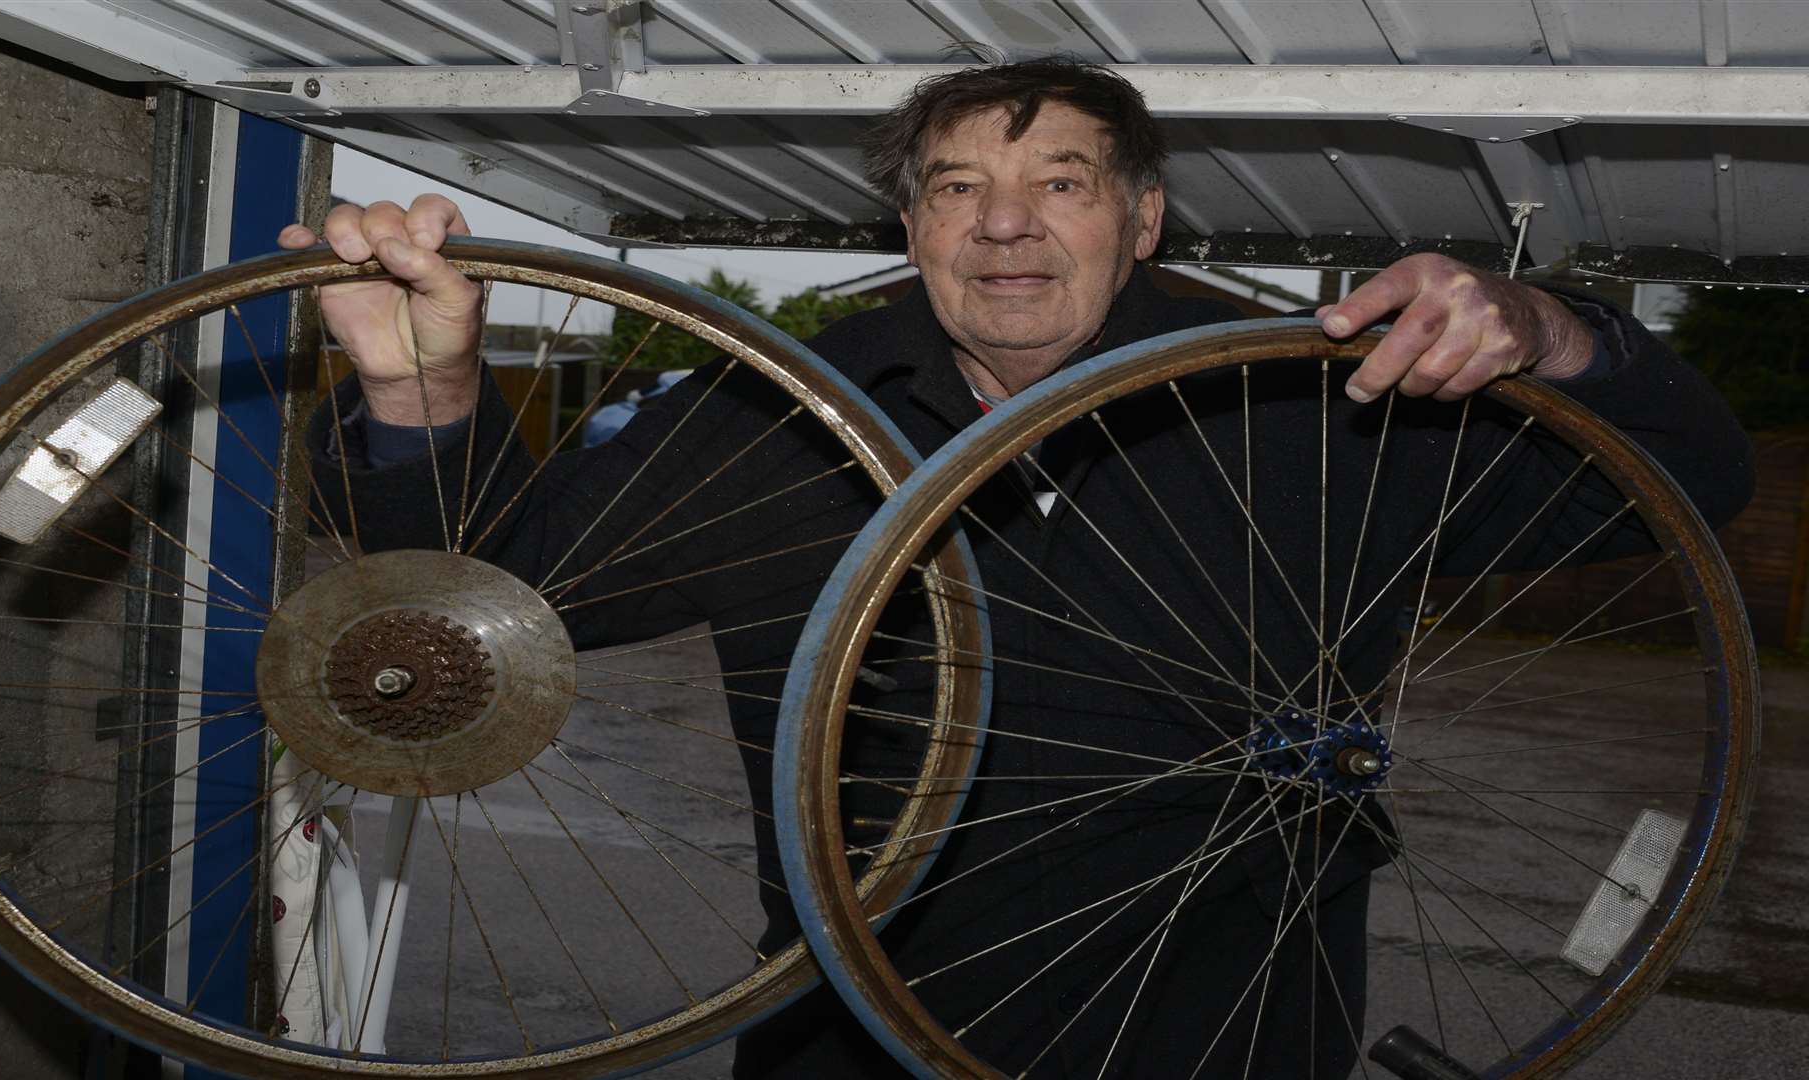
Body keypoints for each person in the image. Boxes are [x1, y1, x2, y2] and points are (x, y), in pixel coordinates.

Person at [281, 58, 1750, 1077]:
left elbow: (1681, 492)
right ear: (909, 223)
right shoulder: (777, 414)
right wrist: (424, 393)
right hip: (849, 1041)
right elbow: (504, 606)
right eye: (959, 186)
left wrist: (1558, 336)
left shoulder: (1318, 406)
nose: (1005, 222)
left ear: (1144, 218)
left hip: (1227, 1046)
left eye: (1062, 181)